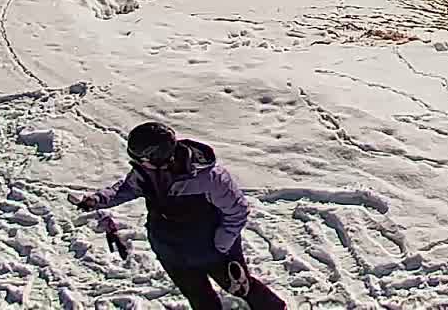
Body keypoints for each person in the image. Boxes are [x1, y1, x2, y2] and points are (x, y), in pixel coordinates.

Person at [75, 122, 290, 310]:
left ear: (158, 157)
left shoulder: (209, 178)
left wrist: (221, 245)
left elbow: (237, 211)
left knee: (240, 287)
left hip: (211, 248)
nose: (138, 164)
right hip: (170, 249)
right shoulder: (146, 172)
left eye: (141, 159)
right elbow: (126, 189)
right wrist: (99, 199)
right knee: (199, 298)